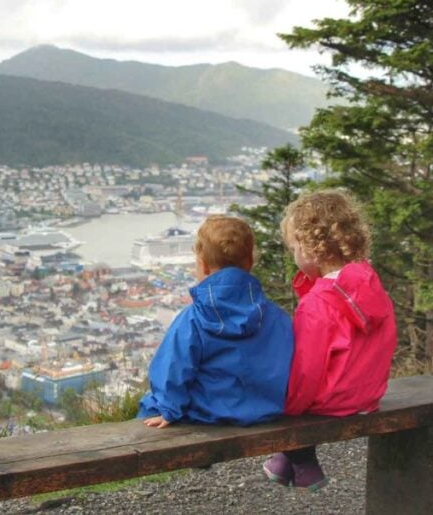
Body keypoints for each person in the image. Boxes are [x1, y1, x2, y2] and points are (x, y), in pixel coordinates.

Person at [263, 189, 397, 491]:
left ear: (311, 249)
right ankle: (288, 463)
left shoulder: (318, 304)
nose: (293, 255)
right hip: (368, 396)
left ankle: (300, 462)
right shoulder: (368, 282)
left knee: (279, 397)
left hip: (332, 401)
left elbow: (306, 371)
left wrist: (289, 408)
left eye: (294, 247)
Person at [138, 215, 293, 428]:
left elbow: (172, 370)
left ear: (203, 266)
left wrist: (169, 410)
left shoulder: (193, 318)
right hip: (266, 409)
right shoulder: (276, 316)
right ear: (249, 262)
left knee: (148, 408)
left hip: (207, 413)